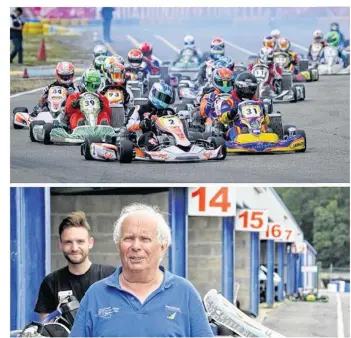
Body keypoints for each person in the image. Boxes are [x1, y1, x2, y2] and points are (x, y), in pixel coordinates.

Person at [69, 203, 214, 337]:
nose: (136, 246)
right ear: (118, 245)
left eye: (145, 239)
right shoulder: (96, 295)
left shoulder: (185, 293)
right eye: (128, 238)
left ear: (163, 247)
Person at [34, 211, 116, 320]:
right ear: (60, 244)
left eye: (80, 241)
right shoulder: (51, 282)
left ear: (90, 243)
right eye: (68, 242)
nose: (74, 248)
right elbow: (47, 329)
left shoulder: (110, 276)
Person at [124, 81, 174, 151]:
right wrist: (140, 124)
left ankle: (180, 145)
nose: (163, 101)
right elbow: (128, 126)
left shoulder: (167, 113)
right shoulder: (139, 109)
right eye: (161, 97)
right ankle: (155, 147)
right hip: (143, 138)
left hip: (164, 138)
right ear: (153, 93)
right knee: (149, 135)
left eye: (166, 99)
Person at [218, 72, 270, 138]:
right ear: (238, 87)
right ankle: (238, 143)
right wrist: (231, 114)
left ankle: (269, 141)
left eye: (250, 88)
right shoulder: (229, 101)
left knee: (265, 128)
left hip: (257, 128)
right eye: (245, 88)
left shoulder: (258, 102)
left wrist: (264, 115)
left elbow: (266, 121)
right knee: (235, 130)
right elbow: (222, 119)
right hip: (238, 128)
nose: (247, 91)